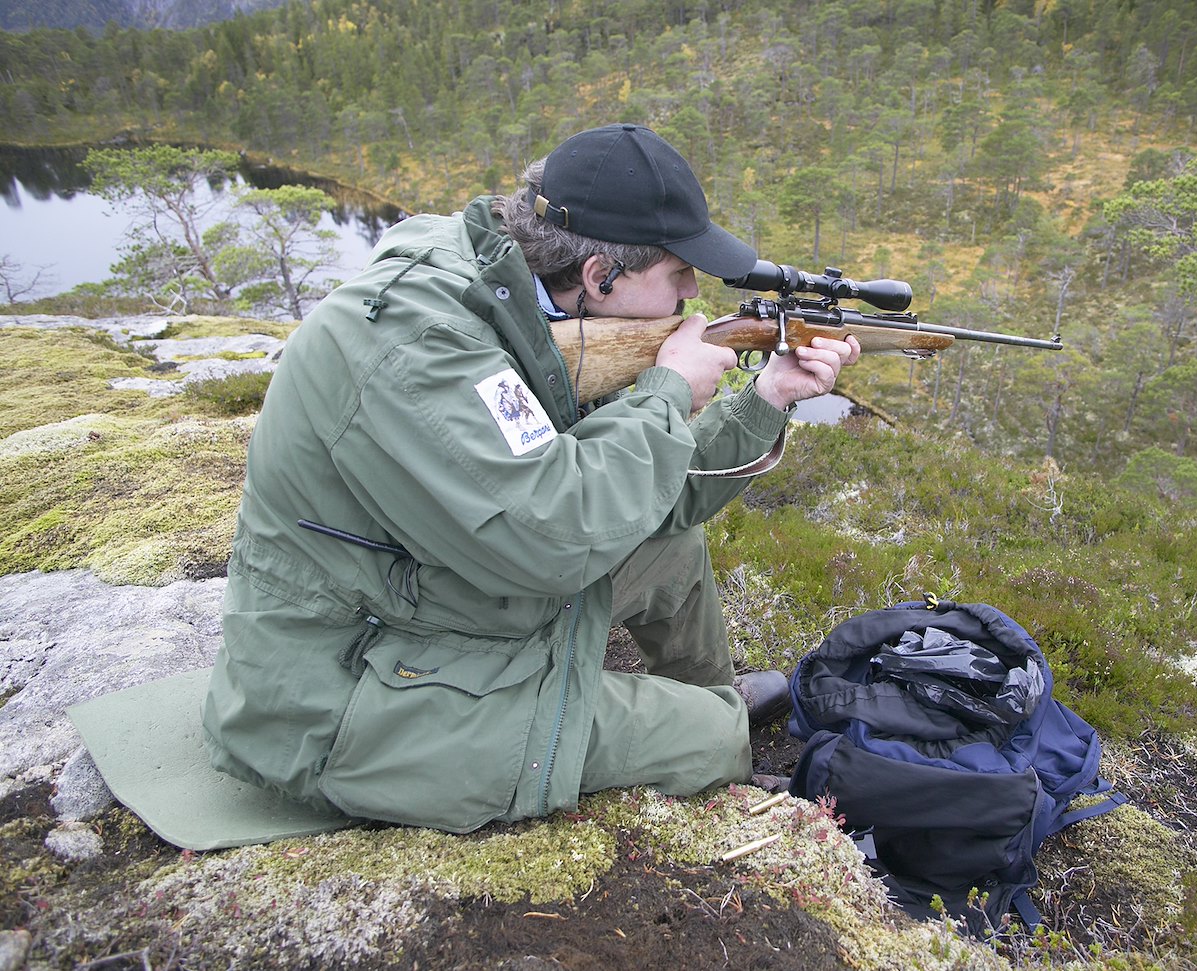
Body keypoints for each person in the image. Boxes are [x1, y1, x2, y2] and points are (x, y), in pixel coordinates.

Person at [201, 124, 859, 831]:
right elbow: (554, 537)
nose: (692, 298)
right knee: (707, 737)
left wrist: (767, 398)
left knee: (674, 550)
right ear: (599, 275)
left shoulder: (521, 296)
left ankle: (704, 700)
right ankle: (712, 736)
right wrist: (666, 390)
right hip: (348, 687)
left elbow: (646, 491)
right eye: (677, 275)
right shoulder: (417, 346)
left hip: (445, 594)